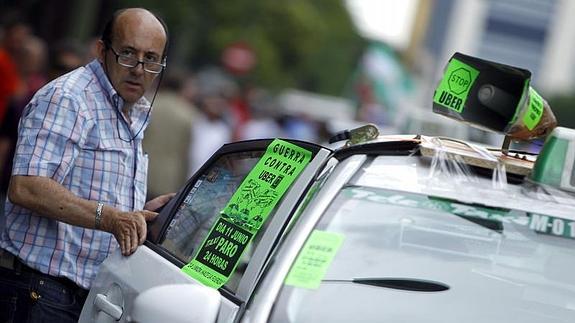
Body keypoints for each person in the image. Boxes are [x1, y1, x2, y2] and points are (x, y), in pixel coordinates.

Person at [0, 8, 173, 323]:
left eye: (151, 59)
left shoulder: (128, 108)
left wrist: (139, 214)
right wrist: (111, 218)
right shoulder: (69, 98)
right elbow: (26, 187)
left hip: (81, 294)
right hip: (39, 290)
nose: (138, 69)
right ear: (101, 51)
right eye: (128, 54)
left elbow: (93, 193)